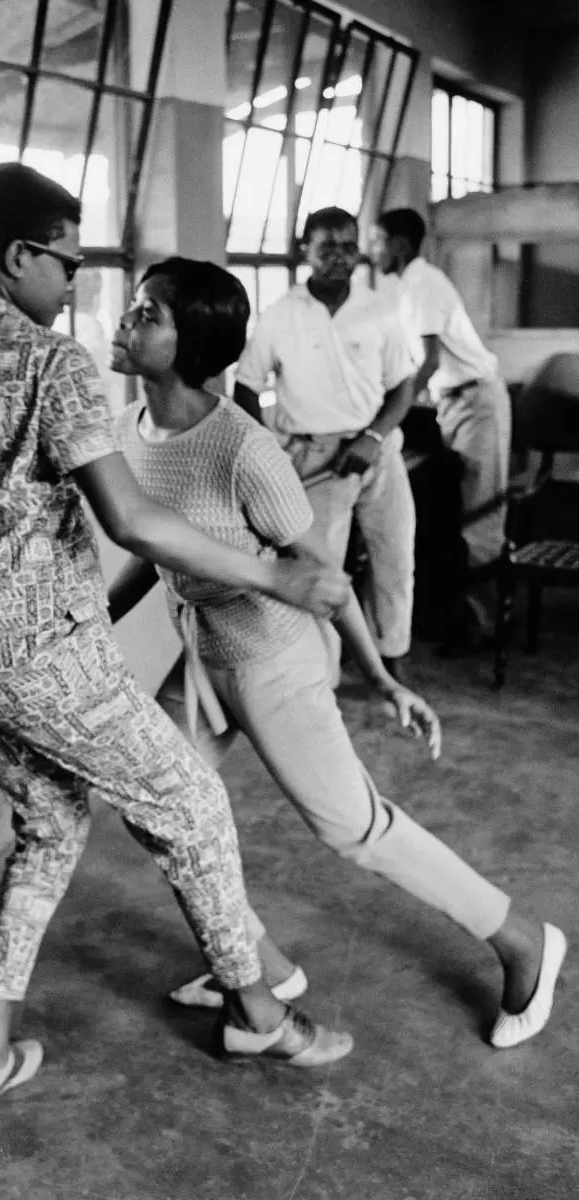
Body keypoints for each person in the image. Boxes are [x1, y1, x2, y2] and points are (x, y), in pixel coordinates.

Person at [0, 163, 358, 1123]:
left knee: (52, 825)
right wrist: (276, 577)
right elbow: (132, 519)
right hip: (36, 646)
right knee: (192, 802)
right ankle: (258, 1013)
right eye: (68, 263)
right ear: (18, 256)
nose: (76, 284)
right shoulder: (49, 362)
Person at [108, 255, 566, 1050]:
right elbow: (157, 547)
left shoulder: (243, 449)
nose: (125, 319)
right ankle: (255, 964)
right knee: (154, 804)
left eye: (148, 313)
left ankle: (523, 939)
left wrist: (381, 676)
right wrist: (95, 616)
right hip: (203, 655)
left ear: (194, 345)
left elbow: (321, 575)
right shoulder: (128, 430)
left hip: (273, 658)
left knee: (355, 827)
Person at [233, 206, 417, 682]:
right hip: (316, 457)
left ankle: (390, 660)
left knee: (395, 557)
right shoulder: (281, 315)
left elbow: (403, 386)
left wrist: (373, 438)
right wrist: (268, 454)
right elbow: (246, 387)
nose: (339, 257)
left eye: (348, 246)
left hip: (376, 448)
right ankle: (324, 675)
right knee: (322, 570)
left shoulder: (378, 309)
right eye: (327, 247)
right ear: (305, 251)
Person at [371, 208, 512, 579]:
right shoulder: (406, 286)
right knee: (460, 505)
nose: (373, 251)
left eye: (377, 242)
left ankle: (485, 611)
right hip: (453, 402)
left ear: (400, 245)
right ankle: (462, 605)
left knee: (480, 512)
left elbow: (429, 362)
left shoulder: (422, 284)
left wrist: (390, 414)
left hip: (475, 401)